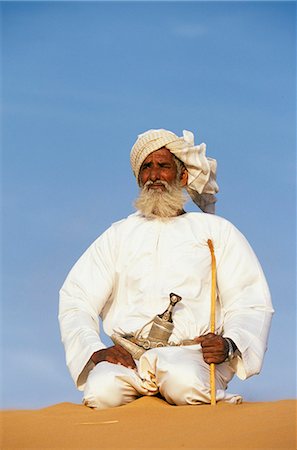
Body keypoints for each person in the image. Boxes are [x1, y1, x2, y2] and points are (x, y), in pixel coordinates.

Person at [59, 128, 274, 409]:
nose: (154, 175)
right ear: (138, 177)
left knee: (183, 381)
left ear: (182, 176)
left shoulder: (215, 232)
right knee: (101, 392)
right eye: (146, 167)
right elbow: (76, 299)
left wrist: (230, 344)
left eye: (163, 166)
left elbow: (250, 300)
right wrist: (96, 350)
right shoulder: (118, 235)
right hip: (129, 358)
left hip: (191, 356)